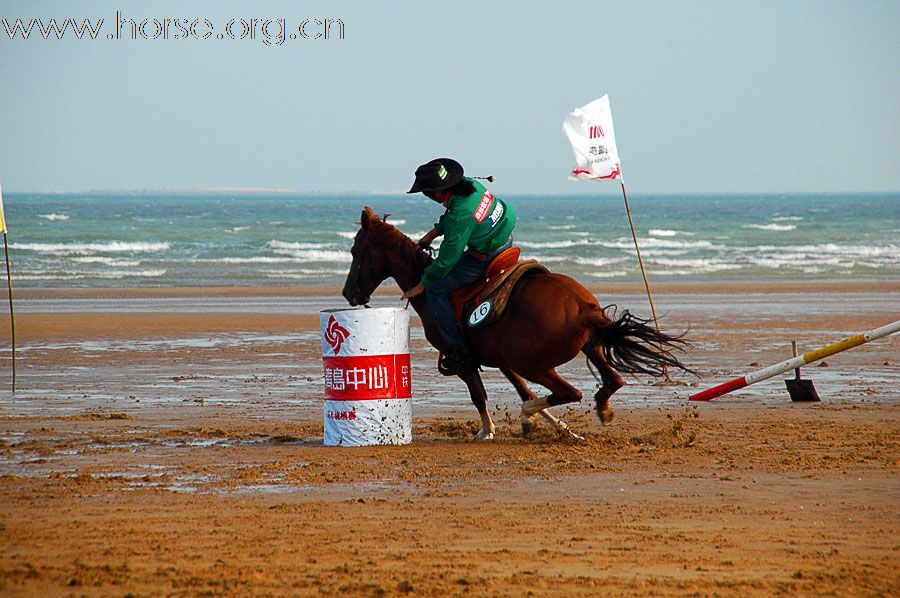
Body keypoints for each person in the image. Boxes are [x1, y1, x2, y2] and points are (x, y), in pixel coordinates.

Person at [401, 158, 516, 375]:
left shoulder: (461, 214)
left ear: (437, 192)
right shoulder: (471, 185)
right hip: (505, 236)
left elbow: (447, 259)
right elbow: (452, 215)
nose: (427, 197)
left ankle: (459, 350)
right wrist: (433, 232)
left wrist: (424, 283)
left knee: (436, 289)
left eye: (426, 193)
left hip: (488, 254)